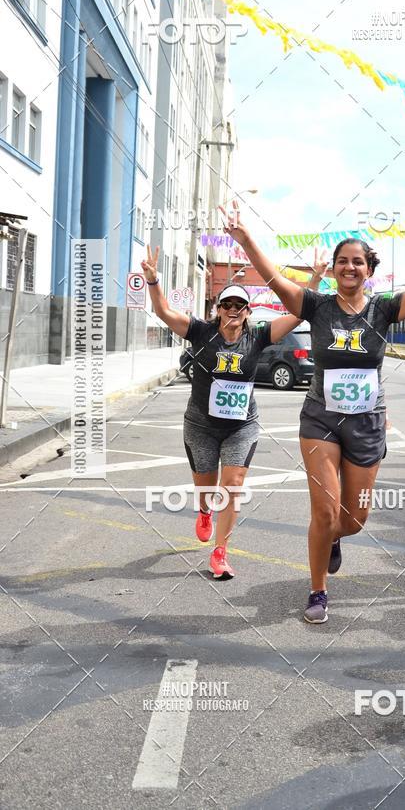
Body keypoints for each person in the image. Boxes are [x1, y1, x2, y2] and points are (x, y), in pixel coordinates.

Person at [223, 208, 405, 623]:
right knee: (324, 511)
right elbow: (277, 281)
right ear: (333, 269)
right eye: (342, 261)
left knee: (354, 518)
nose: (349, 267)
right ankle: (317, 591)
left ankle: (334, 538)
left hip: (367, 422)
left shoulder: (384, 309)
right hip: (320, 420)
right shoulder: (315, 305)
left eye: (358, 261)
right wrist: (246, 241)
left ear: (369, 269)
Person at [141, 244, 321, 579]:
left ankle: (220, 553)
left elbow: (299, 313)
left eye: (240, 305)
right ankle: (205, 511)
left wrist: (317, 279)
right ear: (218, 309)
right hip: (201, 426)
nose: (233, 310)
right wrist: (153, 281)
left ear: (248, 311)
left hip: (242, 426)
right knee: (207, 489)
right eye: (227, 304)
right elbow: (164, 312)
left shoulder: (258, 336)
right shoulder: (200, 332)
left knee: (233, 484)